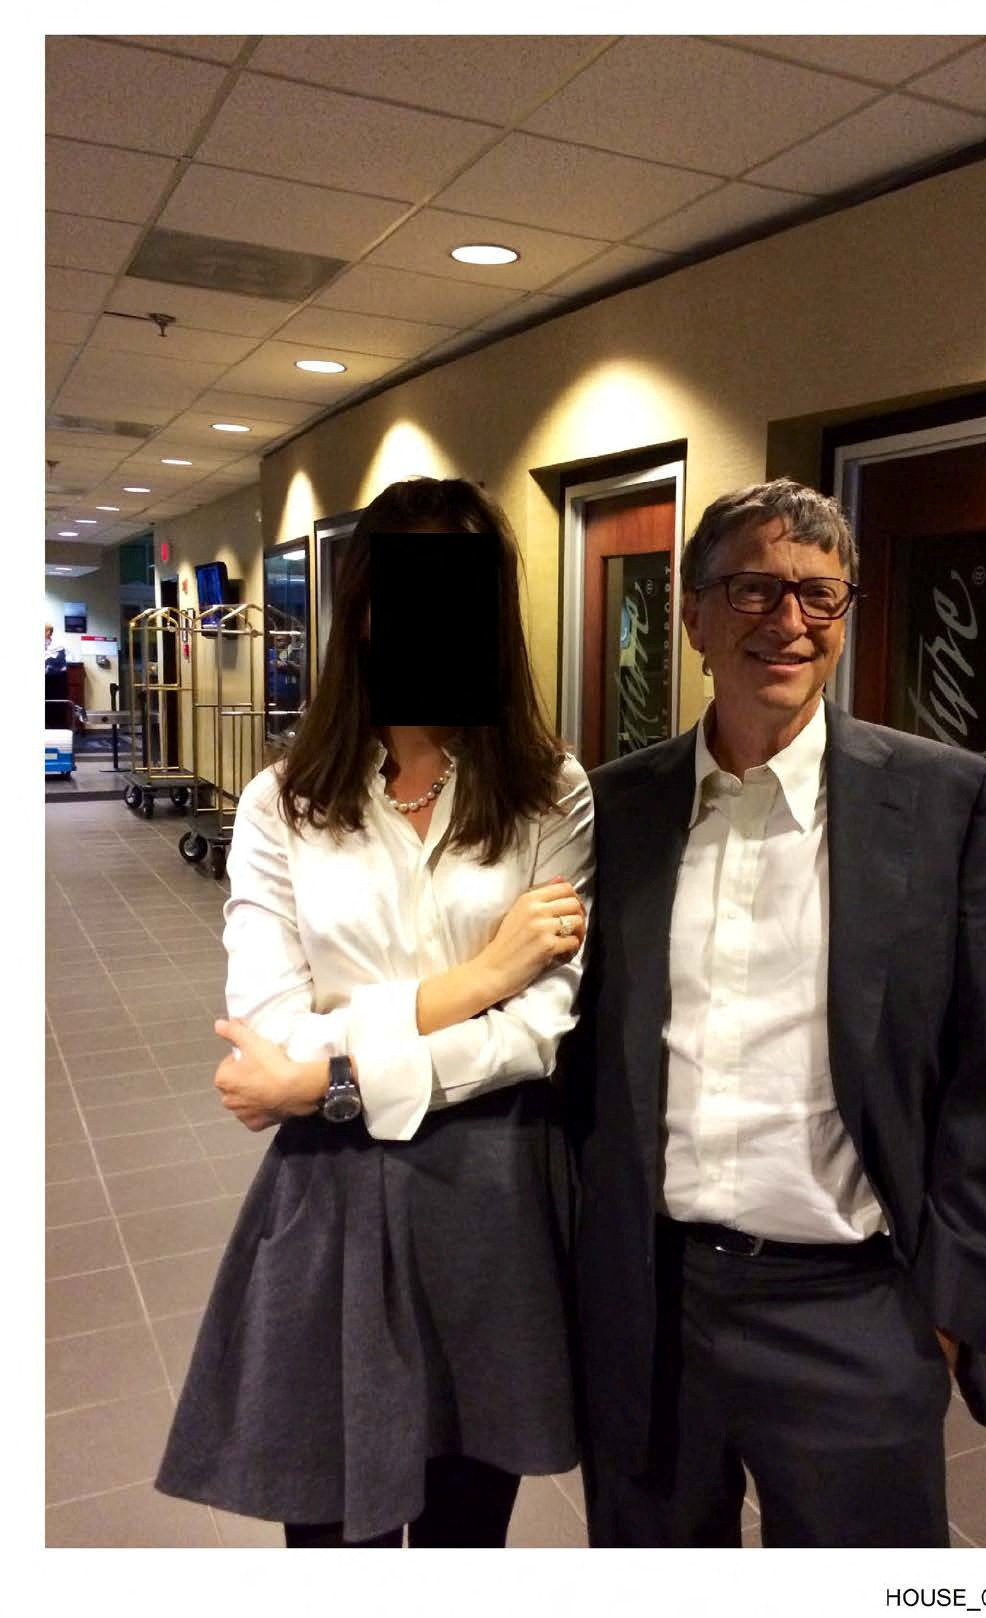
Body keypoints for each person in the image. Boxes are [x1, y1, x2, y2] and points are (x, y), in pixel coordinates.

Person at [561, 478, 986, 1547]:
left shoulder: (942, 798)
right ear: (692, 616)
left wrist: (950, 1311)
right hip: (652, 1304)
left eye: (820, 595)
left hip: (854, 1313)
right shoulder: (616, 806)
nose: (790, 622)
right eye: (754, 590)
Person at [155, 477, 594, 1548]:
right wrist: (477, 980)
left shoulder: (551, 792)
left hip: (489, 1189)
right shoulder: (282, 801)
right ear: (360, 615)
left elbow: (540, 1031)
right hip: (330, 1188)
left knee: (462, 1533)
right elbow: (270, 1026)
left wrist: (324, 1078)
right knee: (329, 1531)